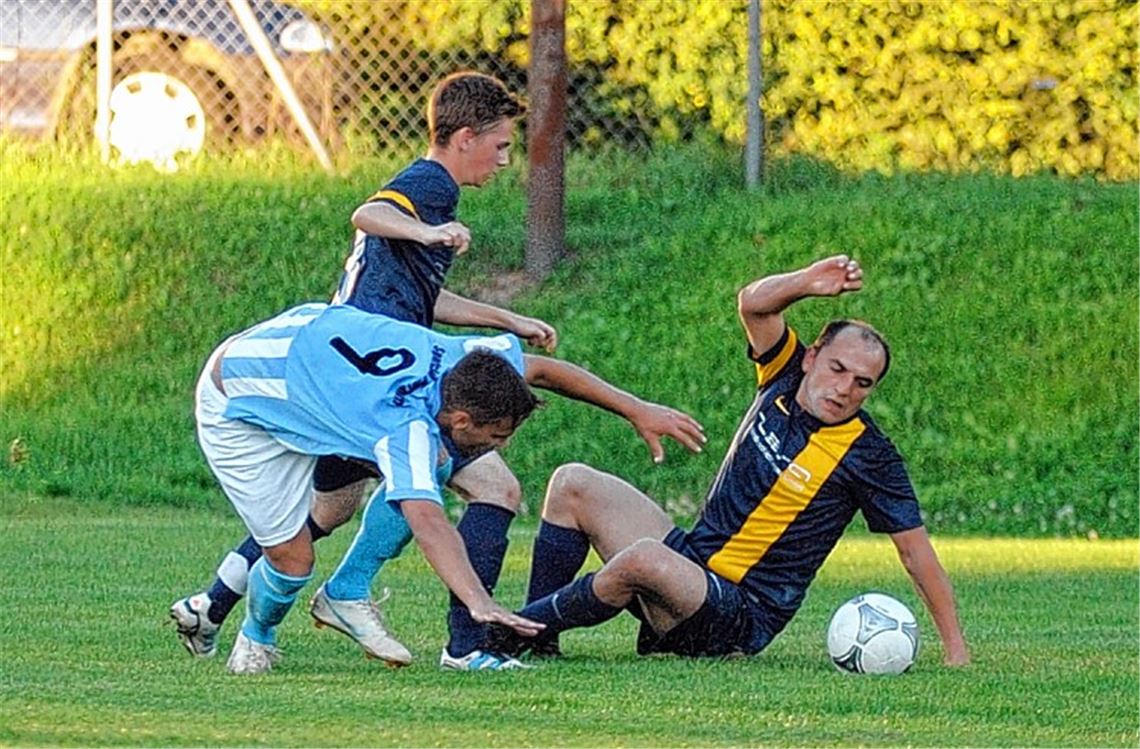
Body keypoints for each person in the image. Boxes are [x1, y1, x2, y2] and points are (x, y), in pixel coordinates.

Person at [173, 71, 704, 670]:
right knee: (480, 487)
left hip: (367, 365)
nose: (506, 159)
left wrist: (503, 316)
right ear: (464, 136)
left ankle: (216, 604)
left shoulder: (437, 219)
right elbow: (368, 213)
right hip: (357, 387)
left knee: (330, 512)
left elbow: (426, 300)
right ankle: (445, 635)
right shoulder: (431, 183)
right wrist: (427, 228)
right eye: (500, 145)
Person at [488, 255, 971, 667]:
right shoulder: (781, 374)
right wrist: (804, 283)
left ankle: (512, 633)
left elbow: (915, 552)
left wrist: (956, 652)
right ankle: (542, 642)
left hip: (740, 614)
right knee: (573, 482)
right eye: (838, 369)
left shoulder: (869, 455)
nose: (845, 389)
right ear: (811, 358)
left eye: (863, 383)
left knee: (643, 559)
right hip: (693, 566)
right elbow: (753, 304)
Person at [196, 301, 703, 675]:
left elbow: (544, 369)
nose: (500, 447)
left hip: (301, 349)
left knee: (450, 469)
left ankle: (353, 593)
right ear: (460, 417)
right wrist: (478, 600)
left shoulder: (461, 358)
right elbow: (430, 523)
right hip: (239, 402)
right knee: (293, 560)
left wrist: (636, 409)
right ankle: (256, 638)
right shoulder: (406, 430)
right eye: (496, 436)